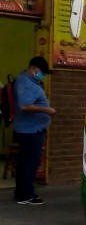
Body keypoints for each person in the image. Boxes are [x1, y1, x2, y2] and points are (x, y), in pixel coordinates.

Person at [13, 56, 56, 205]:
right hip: (29, 131)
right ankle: (26, 195)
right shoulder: (25, 83)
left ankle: (22, 193)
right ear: (33, 68)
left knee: (26, 162)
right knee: (30, 162)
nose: (42, 75)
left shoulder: (29, 81)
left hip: (31, 129)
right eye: (41, 72)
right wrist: (46, 110)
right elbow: (24, 106)